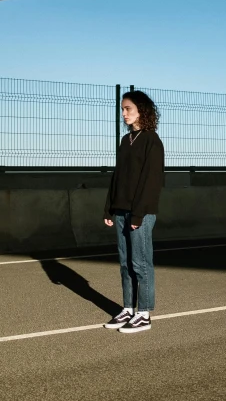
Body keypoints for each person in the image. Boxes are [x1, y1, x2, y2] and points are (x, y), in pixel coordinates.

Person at [102, 90, 164, 333]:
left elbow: (151, 182)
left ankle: (144, 314)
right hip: (120, 210)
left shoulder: (151, 140)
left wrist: (138, 215)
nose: (124, 114)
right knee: (125, 263)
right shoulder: (125, 141)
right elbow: (118, 177)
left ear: (142, 110)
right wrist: (109, 208)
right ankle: (128, 308)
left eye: (128, 108)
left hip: (141, 212)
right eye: (122, 110)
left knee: (141, 263)